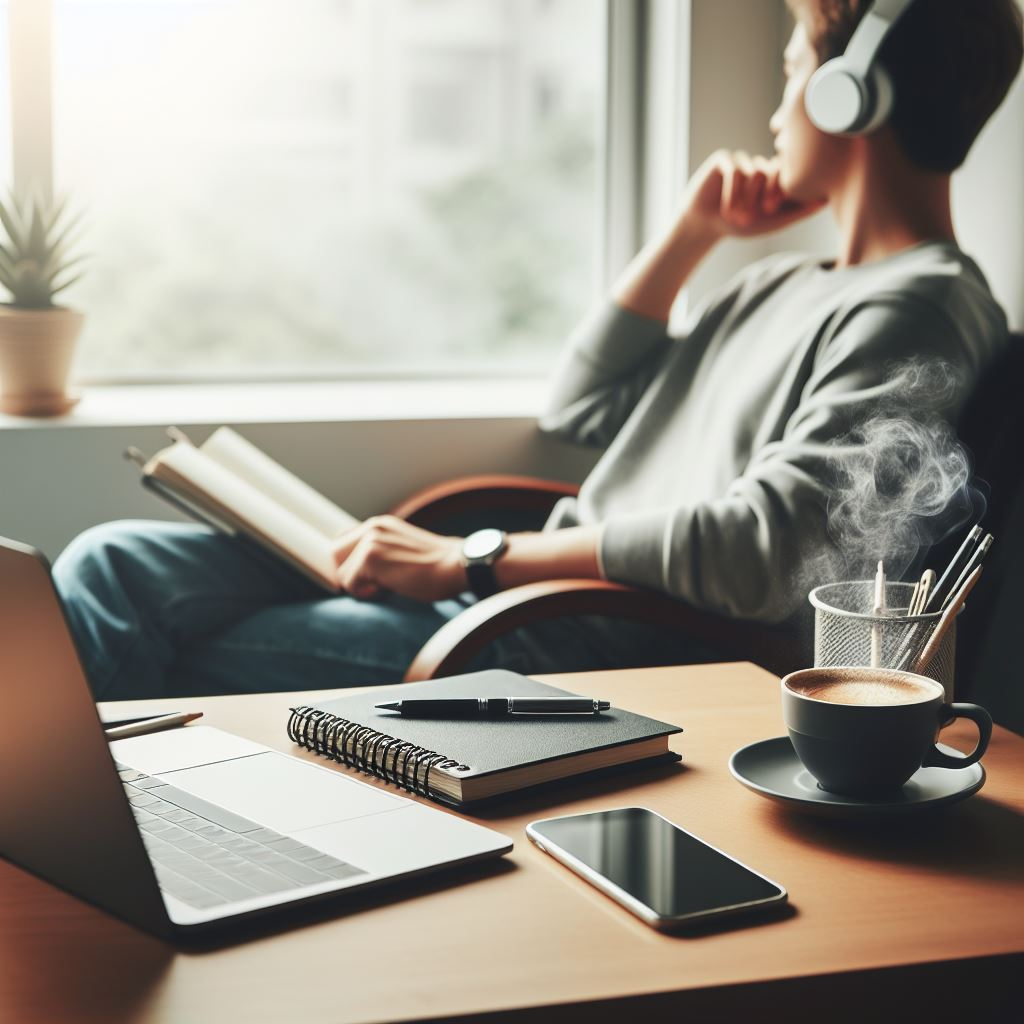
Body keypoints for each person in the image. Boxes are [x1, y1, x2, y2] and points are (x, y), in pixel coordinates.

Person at [54, 0, 1023, 700]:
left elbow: (763, 551)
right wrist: (689, 235)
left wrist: (471, 561)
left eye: (787, 70)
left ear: (849, 93)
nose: (776, 109)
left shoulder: (921, 311)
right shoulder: (782, 282)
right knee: (111, 562)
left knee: (137, 636)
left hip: (574, 641)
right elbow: (581, 407)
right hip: (519, 593)